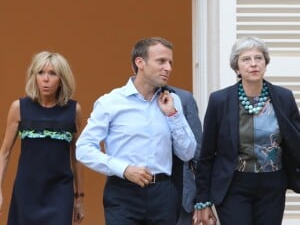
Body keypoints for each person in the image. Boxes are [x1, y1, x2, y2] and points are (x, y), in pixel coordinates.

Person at [76, 37, 197, 225]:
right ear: (140, 62)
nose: (168, 68)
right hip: (123, 193)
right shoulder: (110, 102)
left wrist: (173, 115)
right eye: (161, 61)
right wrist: (124, 169)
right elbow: (83, 148)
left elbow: (188, 152)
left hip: (163, 193)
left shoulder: (173, 101)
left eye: (170, 62)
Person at [193, 36, 300, 225]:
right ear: (236, 68)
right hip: (233, 183)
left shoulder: (284, 97)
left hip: (273, 184)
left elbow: (295, 141)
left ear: (265, 63)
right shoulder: (220, 101)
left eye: (258, 58)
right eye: (246, 59)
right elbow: (207, 153)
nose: (253, 64)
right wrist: (203, 199)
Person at [0, 51, 84, 225]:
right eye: (41, 73)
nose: (46, 79)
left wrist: (79, 198)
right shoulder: (19, 108)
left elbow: (77, 157)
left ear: (62, 78)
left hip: (60, 192)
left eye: (52, 73)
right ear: (34, 76)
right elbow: (5, 153)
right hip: (26, 191)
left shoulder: (73, 111)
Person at [166, 86, 202, 225]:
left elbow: (198, 149)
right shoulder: (123, 101)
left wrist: (202, 199)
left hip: (181, 191)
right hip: (139, 192)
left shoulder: (184, 98)